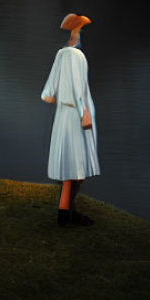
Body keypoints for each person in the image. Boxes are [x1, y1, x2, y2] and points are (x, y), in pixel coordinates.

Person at [40, 13, 98, 227]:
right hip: (74, 115)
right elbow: (77, 86)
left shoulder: (61, 55)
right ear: (77, 33)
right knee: (75, 168)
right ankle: (67, 214)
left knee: (69, 167)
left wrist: (57, 95)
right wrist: (84, 111)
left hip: (63, 116)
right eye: (80, 31)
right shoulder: (76, 56)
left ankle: (65, 212)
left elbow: (48, 93)